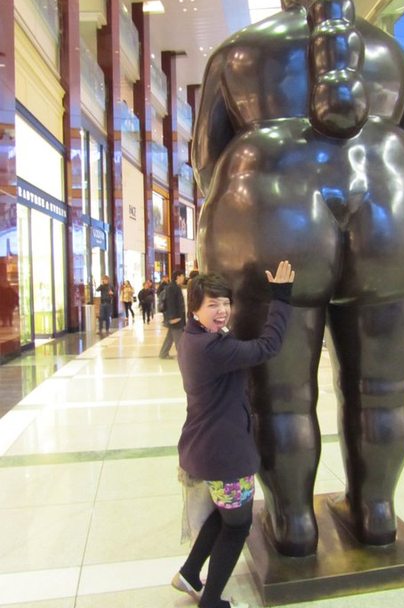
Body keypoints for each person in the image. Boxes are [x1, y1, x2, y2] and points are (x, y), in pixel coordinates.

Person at [191, 0, 404, 556]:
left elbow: (206, 163)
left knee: (279, 398)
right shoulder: (392, 54)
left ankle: (294, 525)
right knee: (385, 392)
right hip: (393, 211)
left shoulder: (238, 53)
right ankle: (376, 514)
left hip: (270, 211)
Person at [172, 261, 295, 608]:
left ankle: (189, 573)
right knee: (238, 526)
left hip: (205, 446)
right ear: (194, 308)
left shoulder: (192, 338)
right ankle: (211, 601)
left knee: (225, 513)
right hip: (226, 455)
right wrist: (281, 297)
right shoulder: (212, 349)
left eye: (226, 302)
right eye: (212, 304)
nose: (222, 310)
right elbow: (267, 346)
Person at [159, 269, 186, 359]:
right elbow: (171, 303)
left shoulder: (175, 286)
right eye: (182, 276)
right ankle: (183, 356)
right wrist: (173, 317)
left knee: (170, 337)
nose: (184, 278)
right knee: (178, 337)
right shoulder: (172, 287)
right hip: (175, 317)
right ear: (178, 277)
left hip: (176, 317)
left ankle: (163, 353)